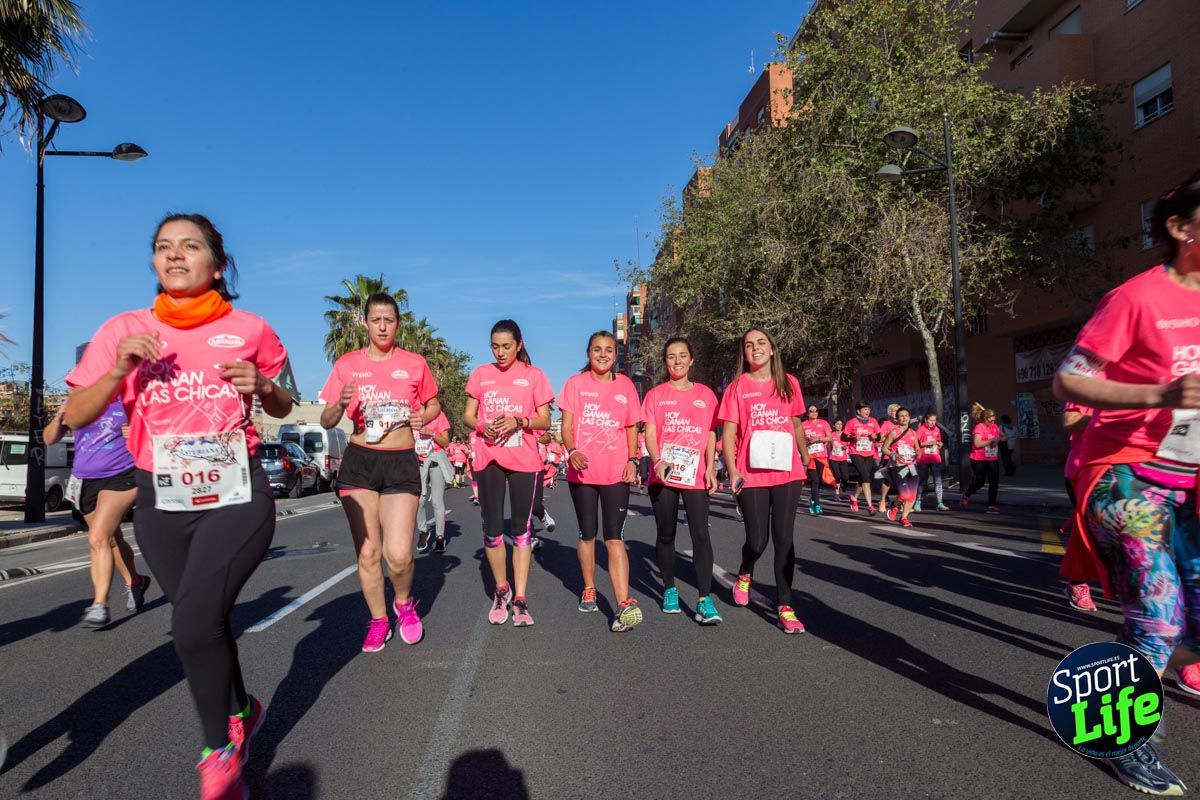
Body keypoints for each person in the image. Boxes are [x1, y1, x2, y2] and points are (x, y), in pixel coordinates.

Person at [65, 213, 293, 799]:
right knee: (205, 619)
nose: (174, 256)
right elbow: (78, 414)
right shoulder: (125, 329)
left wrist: (263, 387)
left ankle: (218, 756)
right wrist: (119, 368)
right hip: (162, 496)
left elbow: (286, 404)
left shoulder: (250, 328)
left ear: (216, 264)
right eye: (163, 247)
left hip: (236, 489)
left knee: (189, 623)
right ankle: (243, 707)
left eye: (189, 246)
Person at [1053, 171, 1200, 795]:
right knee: (1160, 611)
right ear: (1180, 227)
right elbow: (1068, 379)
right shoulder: (1137, 298)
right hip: (1124, 470)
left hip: (1190, 480)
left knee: (1184, 618)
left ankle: (1138, 663)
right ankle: (1128, 740)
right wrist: (1158, 393)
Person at [320, 292, 439, 653]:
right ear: (366, 323)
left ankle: (403, 602)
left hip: (400, 460)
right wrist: (340, 403)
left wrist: (424, 416)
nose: (383, 326)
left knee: (399, 555)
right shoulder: (347, 365)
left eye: (389, 319)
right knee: (369, 553)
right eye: (376, 320)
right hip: (359, 462)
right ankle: (378, 619)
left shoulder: (414, 363)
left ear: (397, 323)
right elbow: (327, 419)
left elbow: (432, 405)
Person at [464, 319, 554, 627]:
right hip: (489, 458)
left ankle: (520, 598)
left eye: (506, 346)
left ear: (519, 345)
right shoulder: (481, 375)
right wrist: (481, 426)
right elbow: (468, 414)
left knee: (520, 529)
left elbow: (544, 421)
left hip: (523, 460)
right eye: (495, 346)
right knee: (492, 529)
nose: (500, 352)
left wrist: (520, 421)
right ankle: (501, 590)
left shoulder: (534, 376)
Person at [719, 327, 808, 634]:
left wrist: (806, 456)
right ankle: (745, 572)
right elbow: (728, 434)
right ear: (744, 354)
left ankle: (785, 605)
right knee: (758, 540)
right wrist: (732, 471)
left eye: (760, 343)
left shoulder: (789, 383)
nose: (754, 348)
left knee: (784, 539)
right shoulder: (737, 387)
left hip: (787, 471)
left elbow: (795, 423)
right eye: (748, 345)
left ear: (772, 349)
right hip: (750, 473)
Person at [559, 331, 643, 632]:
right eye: (597, 350)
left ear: (615, 354)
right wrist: (572, 451)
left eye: (608, 350)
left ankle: (623, 602)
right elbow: (566, 427)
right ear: (588, 353)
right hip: (582, 473)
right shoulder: (575, 384)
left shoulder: (625, 387)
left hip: (616, 474)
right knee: (587, 533)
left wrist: (633, 460)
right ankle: (590, 587)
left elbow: (631, 426)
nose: (603, 354)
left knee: (614, 536)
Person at [44, 397, 150, 629]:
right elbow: (49, 438)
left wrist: (138, 431)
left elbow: (157, 428)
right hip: (85, 479)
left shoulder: (129, 398)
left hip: (123, 474)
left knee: (98, 537)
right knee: (110, 538)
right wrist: (60, 415)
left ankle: (100, 605)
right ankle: (136, 581)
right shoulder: (77, 402)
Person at [642, 337, 722, 624]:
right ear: (666, 361)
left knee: (701, 534)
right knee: (666, 535)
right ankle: (669, 589)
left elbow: (711, 433)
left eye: (682, 355)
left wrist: (711, 468)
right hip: (664, 474)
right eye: (671, 356)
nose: (677, 361)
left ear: (691, 360)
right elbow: (650, 432)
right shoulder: (655, 395)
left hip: (696, 474)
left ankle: (704, 599)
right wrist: (657, 460)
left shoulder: (706, 395)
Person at [1059, 402, 1097, 613]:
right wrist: (1109, 418)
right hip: (1085, 469)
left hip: (1136, 466)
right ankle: (1077, 582)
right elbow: (1069, 421)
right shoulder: (1091, 379)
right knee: (1089, 531)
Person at [415, 411, 452, 554]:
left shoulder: (439, 415)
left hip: (436, 462)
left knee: (437, 501)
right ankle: (423, 532)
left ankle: (440, 537)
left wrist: (432, 433)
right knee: (419, 500)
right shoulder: (412, 414)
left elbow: (446, 442)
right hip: (419, 462)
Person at [881, 408, 920, 528]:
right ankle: (894, 505)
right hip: (898, 466)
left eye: (906, 415)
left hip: (912, 466)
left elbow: (917, 448)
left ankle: (904, 517)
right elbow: (884, 448)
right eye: (901, 416)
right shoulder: (894, 432)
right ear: (897, 419)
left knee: (912, 495)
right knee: (904, 495)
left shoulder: (914, 433)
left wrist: (918, 453)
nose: (904, 418)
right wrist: (894, 455)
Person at [963, 403, 1004, 513]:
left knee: (994, 482)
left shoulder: (994, 427)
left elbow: (1004, 437)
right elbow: (977, 444)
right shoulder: (979, 427)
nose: (993, 423)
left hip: (992, 459)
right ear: (985, 419)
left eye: (994, 420)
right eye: (991, 421)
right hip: (979, 459)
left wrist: (998, 440)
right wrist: (991, 441)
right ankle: (967, 495)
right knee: (980, 482)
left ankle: (991, 505)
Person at [843, 402, 882, 515]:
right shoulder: (851, 422)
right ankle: (870, 506)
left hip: (869, 452)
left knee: (863, 477)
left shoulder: (873, 421)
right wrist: (853, 438)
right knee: (865, 477)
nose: (867, 411)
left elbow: (879, 436)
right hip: (856, 452)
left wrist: (876, 437)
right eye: (865, 409)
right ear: (858, 411)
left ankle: (854, 497)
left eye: (868, 409)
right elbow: (843, 436)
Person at [801, 405, 832, 515]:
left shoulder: (823, 423)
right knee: (814, 479)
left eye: (816, 411)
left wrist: (818, 439)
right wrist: (807, 441)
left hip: (821, 455)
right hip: (809, 456)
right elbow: (798, 440)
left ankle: (813, 499)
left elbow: (830, 438)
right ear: (807, 413)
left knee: (817, 480)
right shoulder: (803, 425)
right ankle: (817, 505)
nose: (814, 413)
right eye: (811, 411)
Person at [914, 411, 949, 512]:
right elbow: (918, 444)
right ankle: (918, 502)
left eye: (934, 420)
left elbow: (938, 441)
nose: (933, 422)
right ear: (926, 420)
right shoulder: (921, 429)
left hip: (935, 457)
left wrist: (939, 444)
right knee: (922, 480)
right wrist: (929, 443)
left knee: (938, 480)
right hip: (923, 458)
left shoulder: (937, 429)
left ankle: (939, 503)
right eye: (931, 420)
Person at [530, 430, 556, 544]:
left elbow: (547, 438)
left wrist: (532, 440)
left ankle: (542, 514)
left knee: (535, 506)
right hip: (515, 467)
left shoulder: (534, 422)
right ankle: (531, 537)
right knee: (522, 506)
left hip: (535, 467)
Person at [876, 403, 901, 513]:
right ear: (890, 413)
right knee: (887, 480)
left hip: (901, 456)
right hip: (888, 455)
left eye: (898, 410)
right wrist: (890, 435)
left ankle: (898, 502)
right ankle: (882, 500)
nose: (897, 413)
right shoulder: (886, 424)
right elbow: (880, 439)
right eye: (894, 411)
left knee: (902, 480)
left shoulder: (903, 424)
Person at [827, 419, 850, 501]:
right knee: (837, 476)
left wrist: (845, 447)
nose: (840, 426)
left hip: (843, 458)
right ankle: (837, 494)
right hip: (833, 458)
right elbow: (827, 444)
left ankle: (844, 484)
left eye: (841, 424)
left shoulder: (845, 435)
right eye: (838, 424)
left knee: (845, 477)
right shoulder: (831, 435)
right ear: (834, 425)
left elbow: (849, 445)